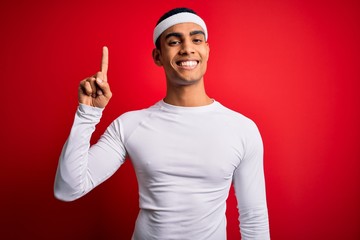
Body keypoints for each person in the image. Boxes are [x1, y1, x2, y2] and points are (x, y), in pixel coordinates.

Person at [54, 7, 270, 240]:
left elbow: (253, 217)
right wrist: (88, 113)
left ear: (206, 50)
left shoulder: (242, 129)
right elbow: (68, 189)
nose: (188, 48)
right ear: (157, 56)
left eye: (196, 39)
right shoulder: (130, 124)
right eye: (174, 42)